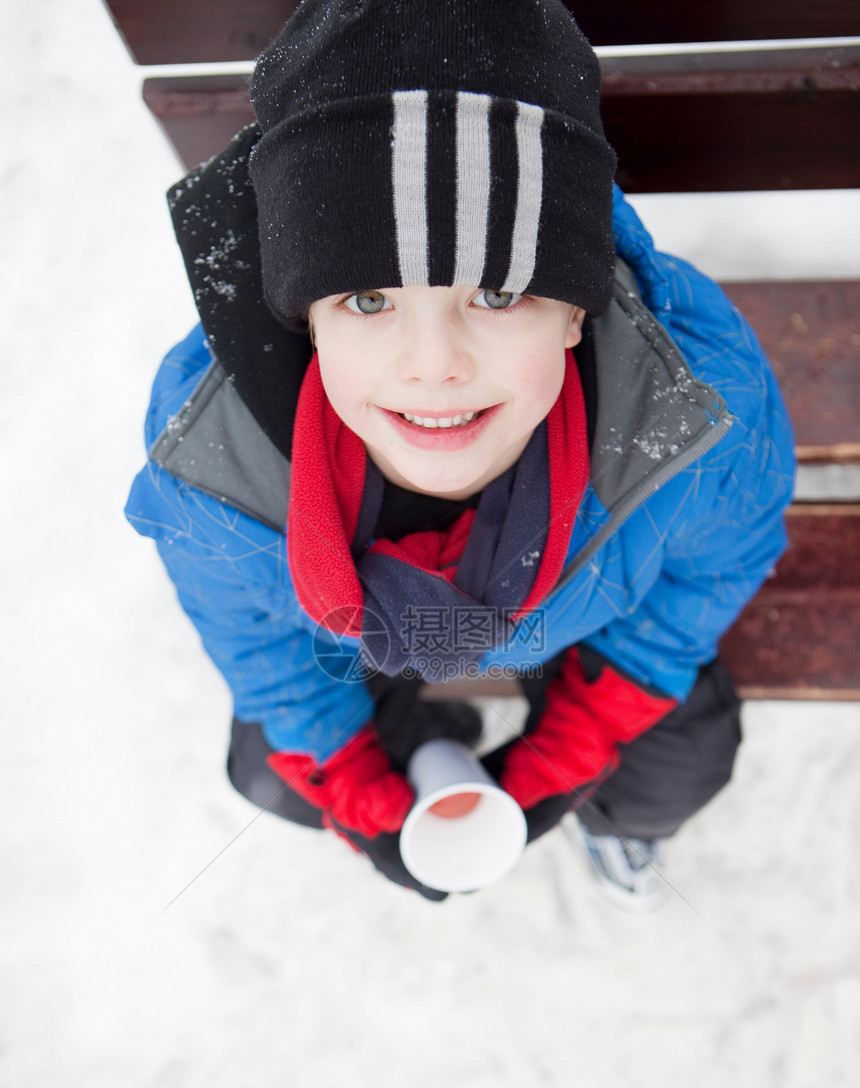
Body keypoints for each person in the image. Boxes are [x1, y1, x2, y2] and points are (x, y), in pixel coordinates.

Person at [125, 0, 794, 909]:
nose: (433, 364)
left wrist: (577, 743)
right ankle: (411, 738)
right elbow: (248, 632)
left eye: (499, 289)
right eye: (367, 298)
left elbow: (721, 560)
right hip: (363, 641)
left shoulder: (700, 407)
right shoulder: (212, 463)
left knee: (679, 765)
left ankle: (621, 831)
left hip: (586, 622)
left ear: (574, 307)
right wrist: (349, 777)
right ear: (306, 323)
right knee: (273, 775)